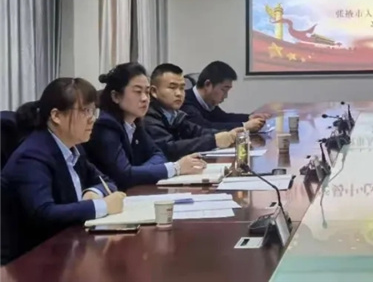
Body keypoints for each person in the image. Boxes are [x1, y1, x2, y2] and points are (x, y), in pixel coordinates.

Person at [1, 78, 125, 264]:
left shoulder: (72, 148)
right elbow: (44, 213)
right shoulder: (32, 157)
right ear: (56, 116)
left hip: (65, 249)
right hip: (28, 262)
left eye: (94, 111)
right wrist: (102, 206)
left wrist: (94, 191)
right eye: (85, 111)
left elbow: (106, 181)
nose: (92, 118)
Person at [85, 63, 206, 190]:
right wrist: (176, 168)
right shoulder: (105, 128)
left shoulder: (135, 123)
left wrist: (137, 172)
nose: (145, 98)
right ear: (116, 96)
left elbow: (159, 154)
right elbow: (124, 176)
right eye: (138, 92)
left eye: (147, 92)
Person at [144, 63, 241, 160]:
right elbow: (170, 149)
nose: (179, 93)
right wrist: (214, 140)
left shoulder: (175, 115)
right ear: (154, 91)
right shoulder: (149, 117)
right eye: (172, 87)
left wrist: (229, 135)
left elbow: (198, 131)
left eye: (182, 88)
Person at [181, 61, 267, 132]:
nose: (225, 96)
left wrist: (248, 118)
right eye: (223, 90)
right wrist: (244, 126)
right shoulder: (186, 103)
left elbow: (224, 117)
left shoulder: (207, 102)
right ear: (208, 84)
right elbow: (205, 127)